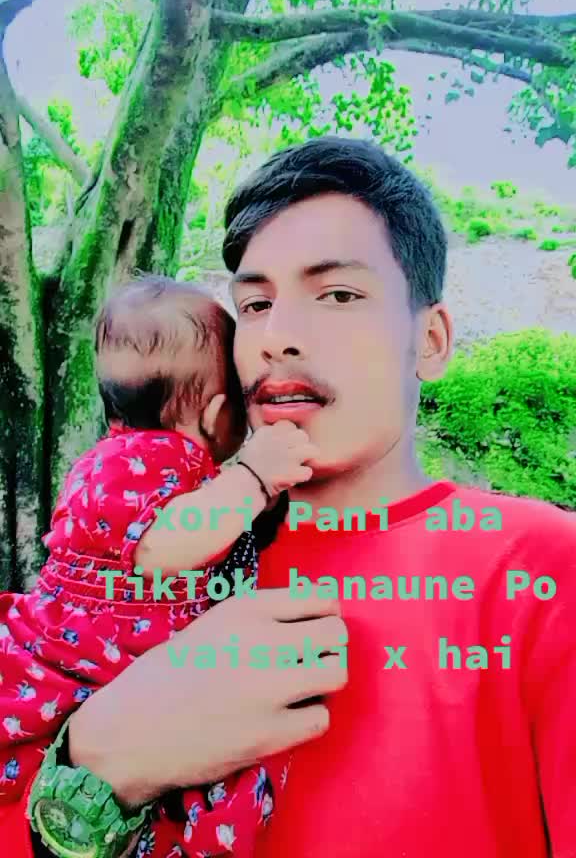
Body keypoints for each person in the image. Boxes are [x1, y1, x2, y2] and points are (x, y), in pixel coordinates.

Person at [1, 134, 575, 857]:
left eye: (338, 295)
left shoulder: (543, 570)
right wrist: (98, 765)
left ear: (430, 340)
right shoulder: (135, 559)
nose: (278, 337)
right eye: (255, 303)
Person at [0, 275, 322, 856]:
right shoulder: (156, 458)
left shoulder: (108, 460)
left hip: (92, 662)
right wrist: (254, 475)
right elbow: (160, 546)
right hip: (99, 654)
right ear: (216, 414)